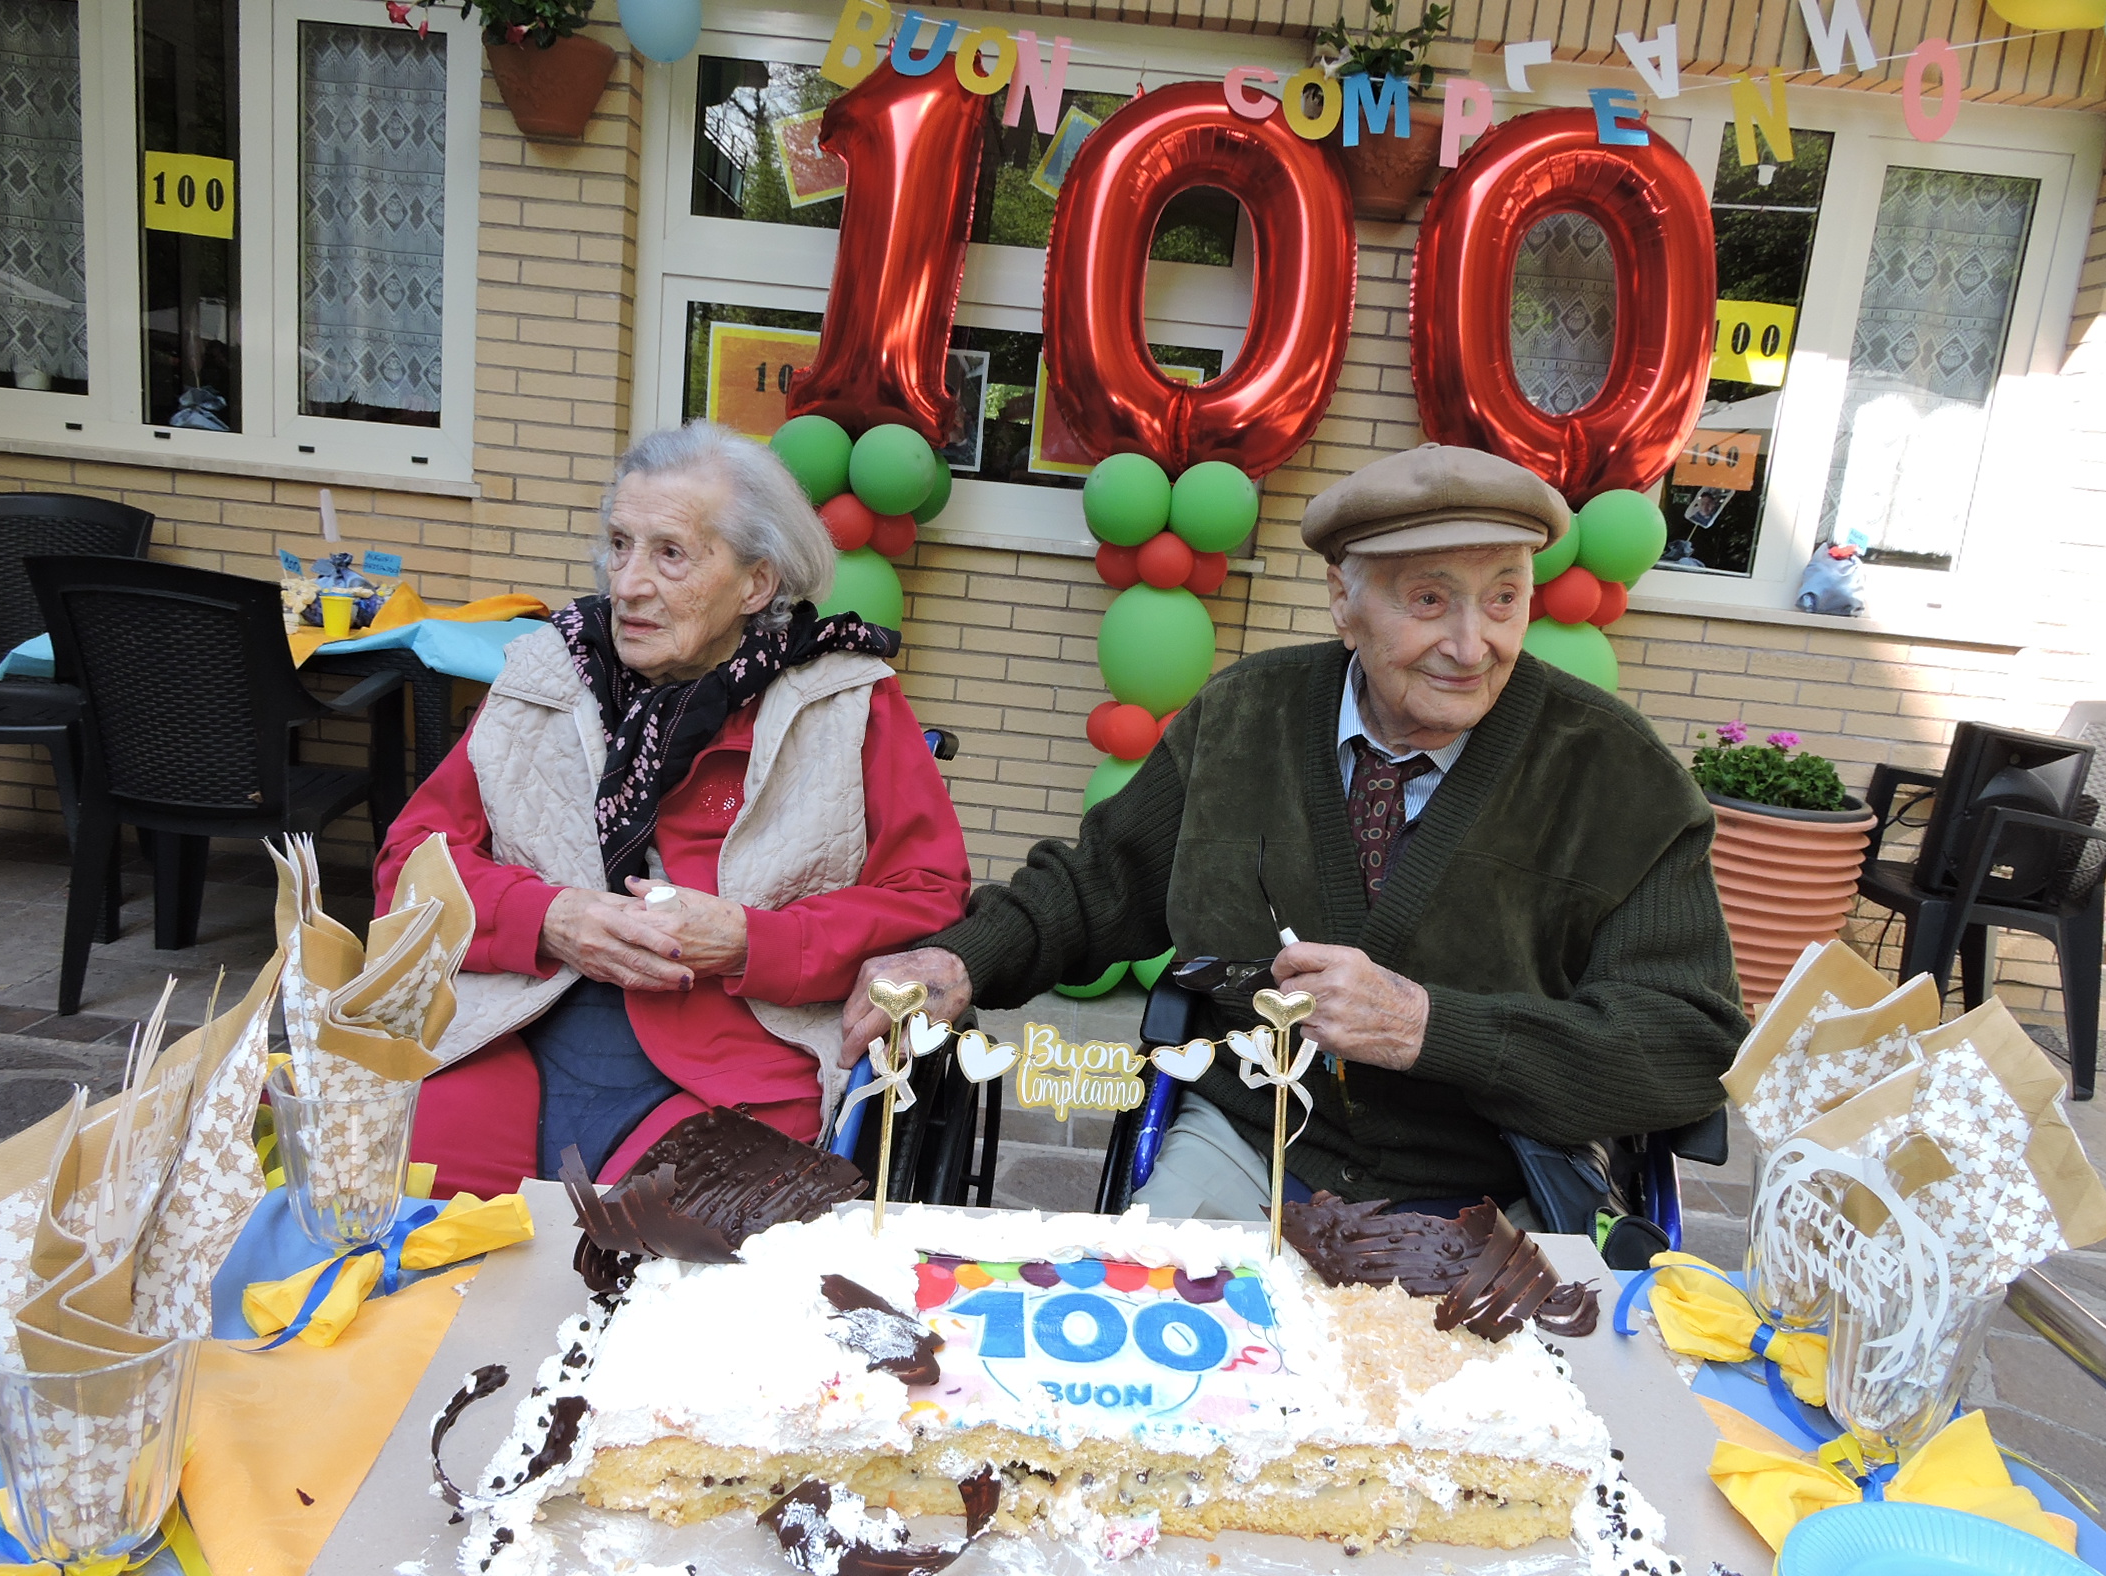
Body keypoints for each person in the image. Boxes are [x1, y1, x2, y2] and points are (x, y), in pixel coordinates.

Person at [842, 443, 1747, 1221]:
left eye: (1504, 599)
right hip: (1252, 1147)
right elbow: (1100, 885)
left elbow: (1684, 1046)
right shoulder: (1247, 715)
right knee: (1154, 1331)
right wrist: (960, 960)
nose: (1473, 645)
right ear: (1342, 603)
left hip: (1498, 1178)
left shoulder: (1618, 775)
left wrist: (1432, 1028)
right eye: (1430, 601)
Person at [378, 422, 972, 1197]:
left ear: (755, 584)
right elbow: (408, 871)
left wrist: (752, 941)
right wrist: (546, 917)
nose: (626, 584)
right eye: (619, 544)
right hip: (504, 1030)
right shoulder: (543, 677)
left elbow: (928, 899)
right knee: (404, 1247)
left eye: (670, 554)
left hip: (735, 1066)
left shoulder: (845, 702)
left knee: (657, 1280)